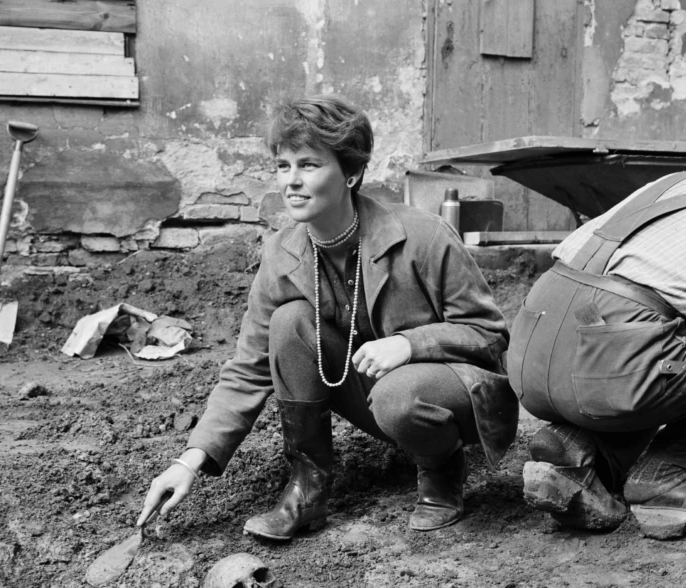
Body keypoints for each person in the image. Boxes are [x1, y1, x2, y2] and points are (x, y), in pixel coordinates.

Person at [137, 94, 517, 541]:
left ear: (351, 173)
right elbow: (248, 366)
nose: (291, 182)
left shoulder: (423, 236)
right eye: (283, 166)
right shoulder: (282, 253)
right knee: (289, 322)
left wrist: (412, 344)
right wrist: (189, 460)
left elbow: (490, 334)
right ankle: (308, 487)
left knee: (399, 394)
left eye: (309, 165)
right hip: (373, 396)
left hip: (457, 397)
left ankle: (441, 469)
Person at [507, 171, 686, 539]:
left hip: (533, 343)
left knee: (651, 348)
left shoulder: (673, 181)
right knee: (651, 356)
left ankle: (577, 451)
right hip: (614, 347)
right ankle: (667, 477)